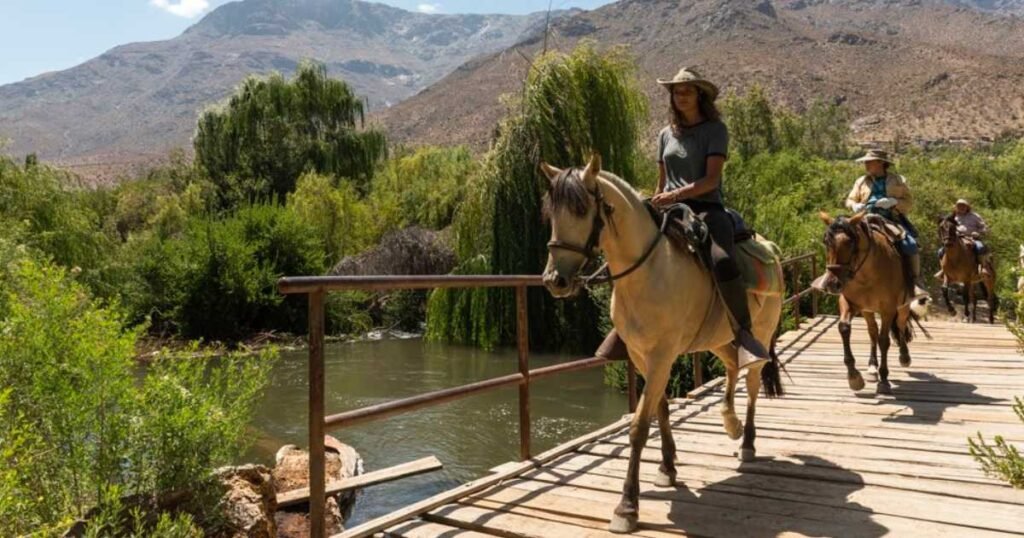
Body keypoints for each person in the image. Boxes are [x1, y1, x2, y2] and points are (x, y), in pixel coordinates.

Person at [596, 67, 769, 365]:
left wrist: (674, 195)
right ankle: (624, 330)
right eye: (677, 92)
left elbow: (711, 180)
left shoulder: (715, 130)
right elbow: (662, 181)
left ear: (700, 95)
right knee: (627, 254)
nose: (681, 96)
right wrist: (653, 203)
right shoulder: (665, 134)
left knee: (722, 261)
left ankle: (743, 334)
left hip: (706, 209)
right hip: (668, 210)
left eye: (688, 91)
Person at [844, 149, 927, 299]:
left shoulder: (897, 180)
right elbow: (849, 200)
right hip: (864, 218)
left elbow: (909, 202)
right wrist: (854, 205)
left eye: (869, 162)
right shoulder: (861, 181)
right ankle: (836, 278)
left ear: (881, 163)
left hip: (890, 219)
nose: (866, 165)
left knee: (910, 245)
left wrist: (893, 202)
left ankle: (916, 282)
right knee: (840, 241)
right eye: (865, 162)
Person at [937, 199, 992, 275]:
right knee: (940, 251)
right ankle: (944, 269)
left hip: (972, 238)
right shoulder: (953, 217)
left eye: (963, 206)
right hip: (957, 238)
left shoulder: (974, 216)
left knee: (980, 247)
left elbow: (984, 227)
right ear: (956, 207)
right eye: (959, 206)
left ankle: (983, 267)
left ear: (967, 207)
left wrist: (978, 233)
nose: (961, 208)